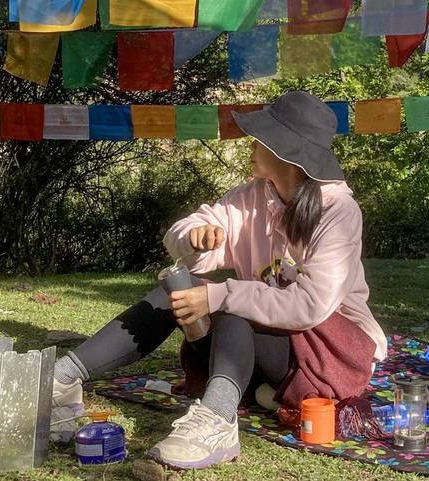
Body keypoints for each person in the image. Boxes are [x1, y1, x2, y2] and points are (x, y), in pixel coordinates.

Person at [50, 91, 387, 469]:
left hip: (329, 356)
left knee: (229, 304)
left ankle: (217, 419)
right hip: (257, 346)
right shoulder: (252, 197)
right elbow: (184, 232)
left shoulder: (338, 212)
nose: (251, 143)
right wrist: (194, 237)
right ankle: (61, 381)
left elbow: (309, 307)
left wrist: (218, 295)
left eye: (260, 137)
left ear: (284, 152)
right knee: (182, 284)